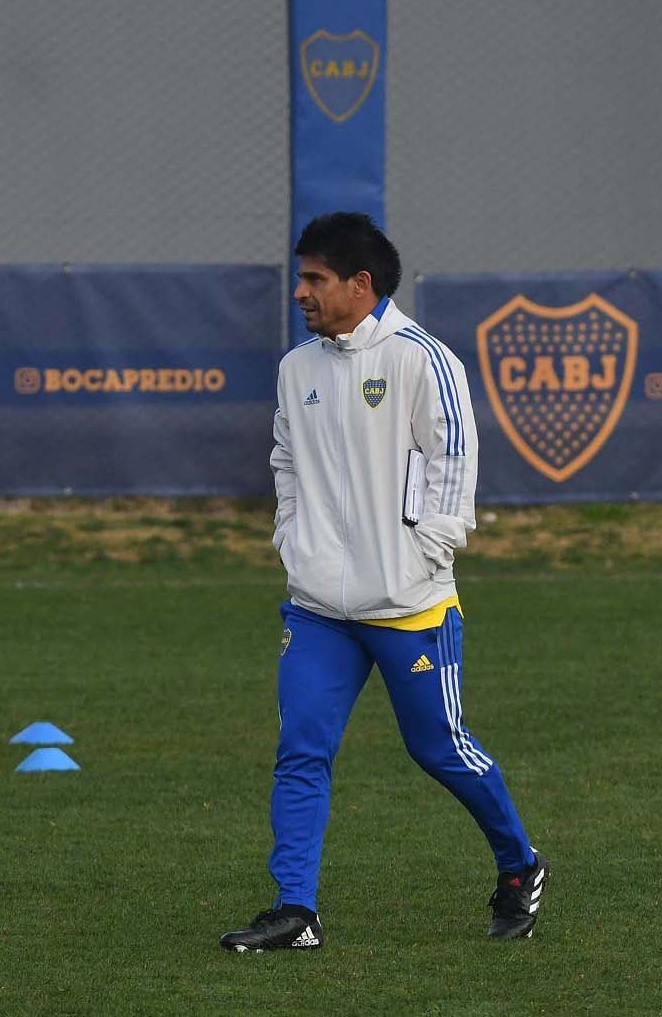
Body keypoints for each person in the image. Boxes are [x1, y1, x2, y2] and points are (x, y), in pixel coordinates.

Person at [220, 213, 548, 951]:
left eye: (314, 279)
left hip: (408, 607)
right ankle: (295, 911)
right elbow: (283, 461)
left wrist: (419, 557)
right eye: (300, 278)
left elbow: (452, 469)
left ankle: (518, 866)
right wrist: (290, 539)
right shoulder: (295, 368)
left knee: (440, 750)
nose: (300, 292)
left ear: (358, 284)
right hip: (315, 611)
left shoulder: (423, 359)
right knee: (300, 750)